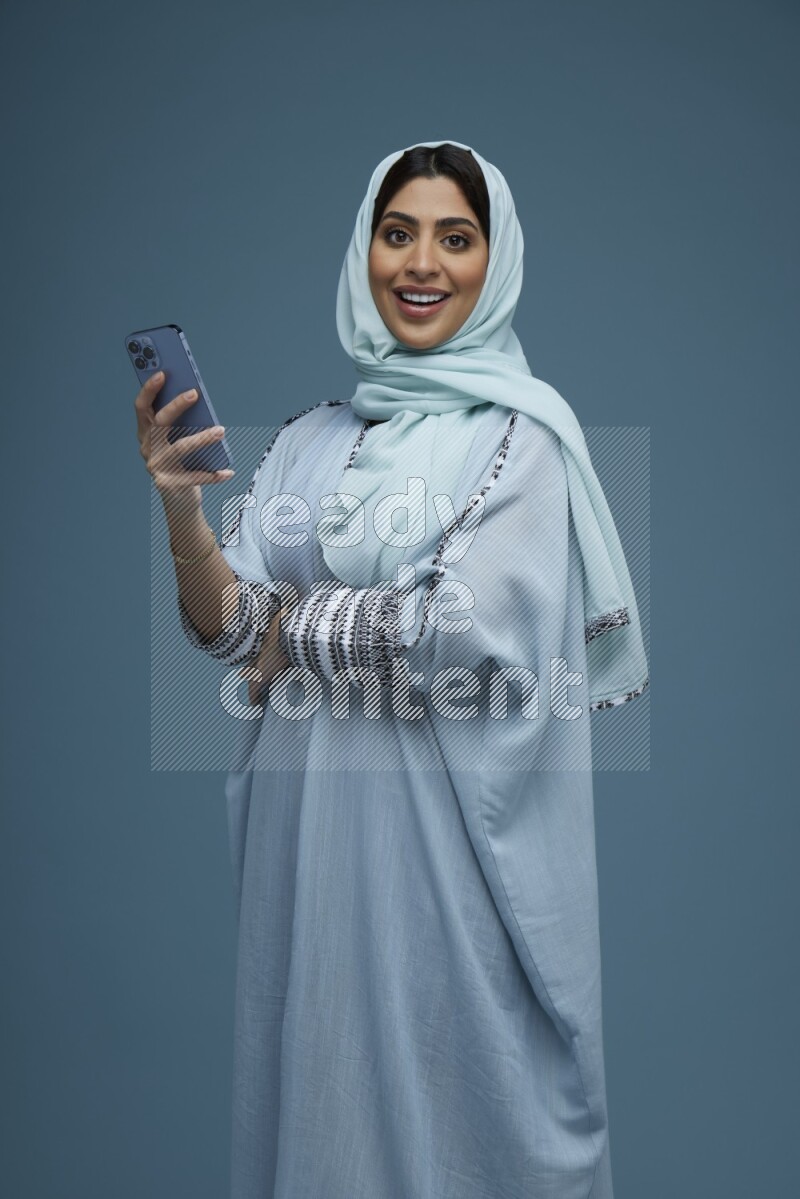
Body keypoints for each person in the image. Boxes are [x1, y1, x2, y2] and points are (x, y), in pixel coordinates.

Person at [135, 139, 649, 1199]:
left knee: (460, 1125)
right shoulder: (313, 440)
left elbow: (454, 635)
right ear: (364, 249)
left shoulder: (525, 440)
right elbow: (231, 631)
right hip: (313, 858)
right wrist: (184, 510)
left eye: (454, 238)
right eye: (396, 231)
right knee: (325, 1126)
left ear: (493, 260)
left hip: (442, 870)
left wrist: (295, 624)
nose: (420, 263)